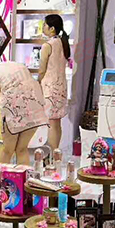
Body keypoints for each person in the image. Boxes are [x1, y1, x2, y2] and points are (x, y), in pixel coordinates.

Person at [0, 56, 47, 165]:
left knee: (7, 150)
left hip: (14, 108)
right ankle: (22, 176)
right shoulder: (12, 64)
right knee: (22, 149)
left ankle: (2, 175)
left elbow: (2, 98)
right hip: (36, 104)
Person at [39, 14, 71, 150]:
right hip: (61, 87)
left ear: (52, 28)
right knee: (57, 123)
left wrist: (37, 82)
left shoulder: (47, 45)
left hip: (49, 88)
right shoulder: (62, 43)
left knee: (51, 123)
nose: (43, 27)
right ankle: (56, 151)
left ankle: (51, 154)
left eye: (44, 25)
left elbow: (42, 70)